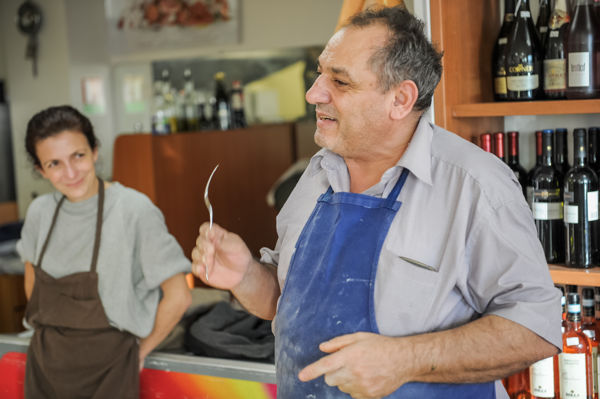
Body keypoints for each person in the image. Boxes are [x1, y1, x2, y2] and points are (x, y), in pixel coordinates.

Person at [191, 6, 561, 399]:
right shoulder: (315, 176)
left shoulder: (474, 186)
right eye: (320, 73)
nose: (313, 92)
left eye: (340, 81)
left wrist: (403, 360)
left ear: (400, 99)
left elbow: (535, 328)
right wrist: (245, 275)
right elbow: (290, 303)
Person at [17, 105, 192, 398]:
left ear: (95, 151)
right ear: (40, 170)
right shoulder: (39, 213)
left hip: (110, 371)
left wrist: (139, 352)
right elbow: (32, 283)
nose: (70, 173)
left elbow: (179, 296)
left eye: (78, 156)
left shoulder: (134, 209)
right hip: (45, 367)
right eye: (54, 164)